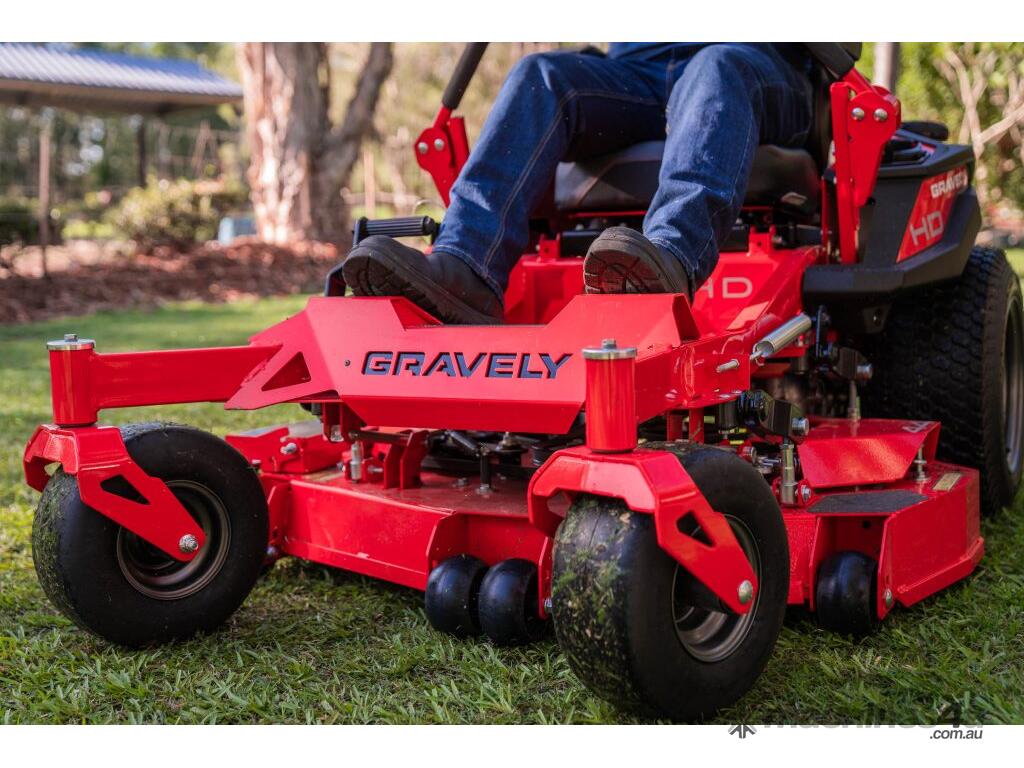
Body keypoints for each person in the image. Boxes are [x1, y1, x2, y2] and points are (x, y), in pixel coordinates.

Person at [342, 43, 813, 324]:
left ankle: (670, 260)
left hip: (753, 64)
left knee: (716, 66)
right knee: (540, 74)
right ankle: (468, 265)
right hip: (639, 72)